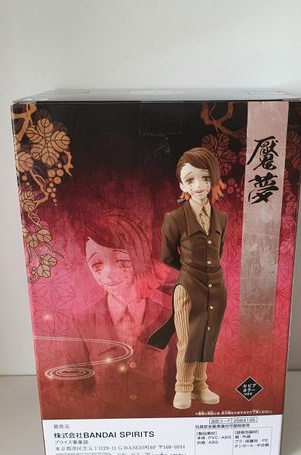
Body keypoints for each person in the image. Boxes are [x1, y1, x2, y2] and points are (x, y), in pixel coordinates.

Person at [45, 213, 174, 417]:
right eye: (97, 264)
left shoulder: (170, 317)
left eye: (121, 260)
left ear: (141, 257)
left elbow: (179, 384)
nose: (108, 274)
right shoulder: (80, 325)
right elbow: (76, 390)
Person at [148, 147, 228, 409]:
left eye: (205, 178)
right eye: (190, 179)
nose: (199, 185)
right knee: (188, 339)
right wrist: (189, 271)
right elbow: (167, 255)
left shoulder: (221, 218)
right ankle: (182, 386)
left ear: (213, 179)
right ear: (182, 185)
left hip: (216, 288)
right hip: (188, 287)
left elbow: (218, 252)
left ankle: (200, 385)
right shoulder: (174, 218)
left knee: (207, 338)